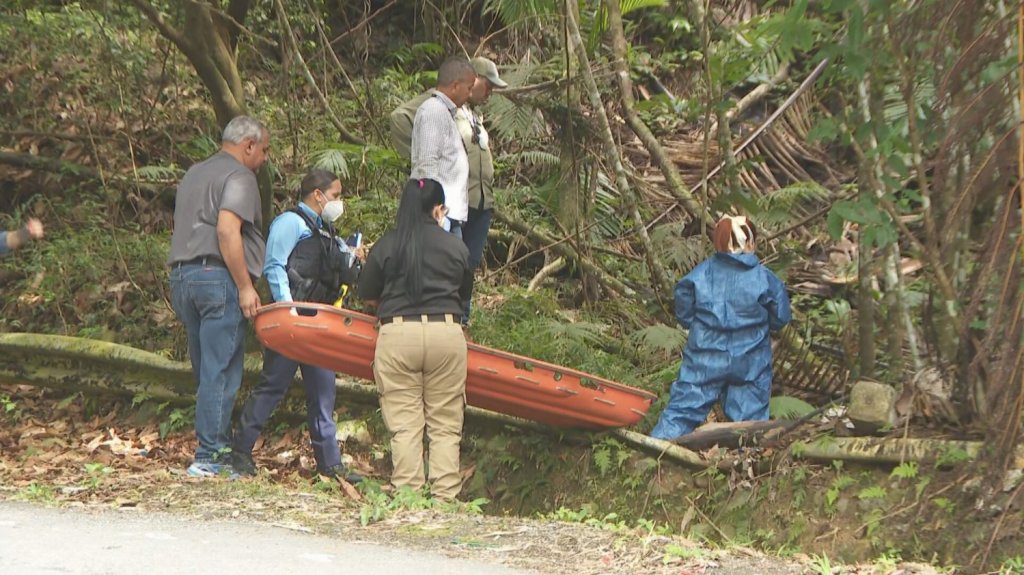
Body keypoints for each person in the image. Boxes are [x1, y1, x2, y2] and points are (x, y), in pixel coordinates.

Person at [232, 169, 363, 482]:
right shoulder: (290, 223)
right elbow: (274, 265)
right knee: (274, 385)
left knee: (323, 392)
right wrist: (286, 310)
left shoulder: (325, 230)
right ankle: (239, 451)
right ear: (317, 195)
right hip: (292, 322)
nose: (338, 202)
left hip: (318, 324)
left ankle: (330, 465)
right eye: (335, 196)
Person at [357, 178, 472, 500]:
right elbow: (464, 299)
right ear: (438, 209)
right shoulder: (456, 247)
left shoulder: (387, 245)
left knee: (406, 424)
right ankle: (445, 498)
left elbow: (367, 295)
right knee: (446, 423)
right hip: (446, 335)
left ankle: (408, 496)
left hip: (398, 336)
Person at [168, 115, 270, 478]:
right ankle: (210, 455)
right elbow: (228, 231)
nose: (264, 159)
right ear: (248, 145)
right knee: (222, 370)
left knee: (206, 368)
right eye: (264, 150)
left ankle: (216, 446)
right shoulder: (240, 176)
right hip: (217, 278)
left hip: (182, 276)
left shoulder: (195, 172)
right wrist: (245, 286)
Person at [649, 215, 792, 441]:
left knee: (685, 406)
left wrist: (693, 323)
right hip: (750, 358)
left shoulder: (700, 275)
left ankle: (658, 447)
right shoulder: (765, 279)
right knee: (750, 416)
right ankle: (747, 460)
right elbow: (781, 316)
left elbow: (683, 300)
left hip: (705, 354)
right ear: (750, 243)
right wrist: (763, 324)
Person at [391, 56, 506, 325]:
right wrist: (431, 201)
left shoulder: (463, 113)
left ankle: (455, 320)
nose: (484, 92)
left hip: (470, 204)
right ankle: (434, 320)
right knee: (441, 266)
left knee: (460, 265)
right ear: (462, 83)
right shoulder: (433, 109)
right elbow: (428, 161)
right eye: (481, 86)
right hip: (443, 209)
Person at [457, 57, 506, 326]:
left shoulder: (475, 117)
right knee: (452, 261)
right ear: (473, 78)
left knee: (470, 263)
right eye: (488, 85)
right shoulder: (448, 111)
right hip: (458, 202)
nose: (490, 92)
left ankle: (462, 319)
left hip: (482, 204)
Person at [408, 57, 477, 239]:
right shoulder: (433, 111)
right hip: (439, 216)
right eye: (469, 88)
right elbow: (427, 163)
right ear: (455, 86)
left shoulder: (444, 112)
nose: (470, 94)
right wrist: (434, 212)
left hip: (447, 215)